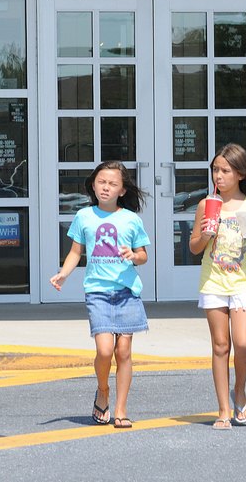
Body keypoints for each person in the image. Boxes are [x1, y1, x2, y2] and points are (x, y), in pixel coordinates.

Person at [50, 160, 150, 429]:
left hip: (127, 291)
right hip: (98, 291)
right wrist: (64, 274)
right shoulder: (84, 216)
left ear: (122, 190)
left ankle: (121, 408)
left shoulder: (131, 219)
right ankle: (103, 390)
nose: (106, 188)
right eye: (102, 182)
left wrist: (133, 256)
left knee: (124, 351)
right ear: (93, 185)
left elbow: (143, 255)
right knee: (105, 351)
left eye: (113, 184)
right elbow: (75, 252)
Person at [189, 143, 246, 430]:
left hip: (243, 281)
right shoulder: (206, 205)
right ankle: (224, 409)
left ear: (239, 173)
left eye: (225, 170)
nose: (218, 176)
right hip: (213, 280)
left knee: (242, 342)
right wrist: (205, 235)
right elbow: (193, 247)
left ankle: (240, 390)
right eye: (215, 170)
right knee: (220, 345)